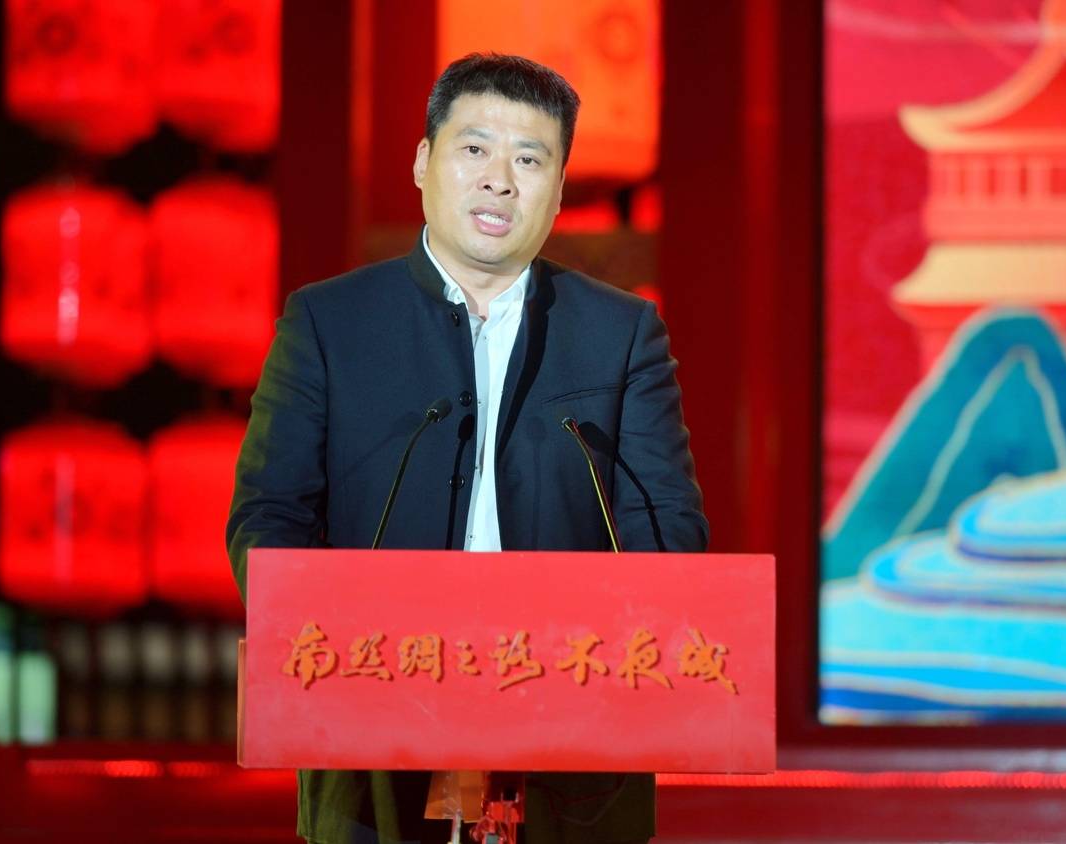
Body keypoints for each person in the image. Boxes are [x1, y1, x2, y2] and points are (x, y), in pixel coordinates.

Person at [228, 53, 707, 844]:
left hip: (570, 749)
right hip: (373, 747)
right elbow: (268, 519)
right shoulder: (330, 324)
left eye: (530, 160)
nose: (499, 181)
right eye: (475, 149)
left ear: (559, 190)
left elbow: (668, 532)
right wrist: (340, 640)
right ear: (423, 161)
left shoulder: (621, 334)